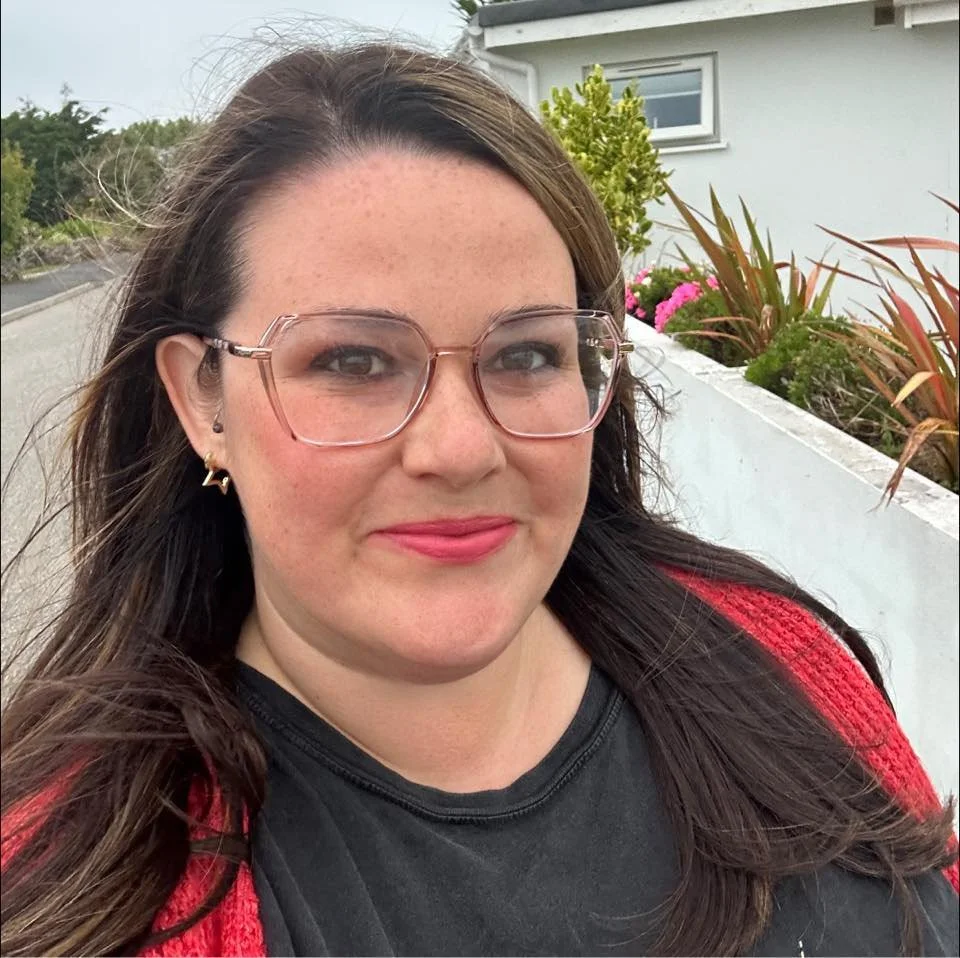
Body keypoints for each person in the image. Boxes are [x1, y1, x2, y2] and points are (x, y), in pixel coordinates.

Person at [1, 42, 957, 958]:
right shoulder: (67, 888)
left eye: (527, 354)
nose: (461, 448)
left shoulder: (777, 656)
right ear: (203, 399)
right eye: (353, 360)